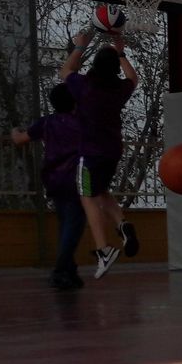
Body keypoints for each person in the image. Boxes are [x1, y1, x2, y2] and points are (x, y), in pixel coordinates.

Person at [60, 28, 139, 278]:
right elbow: (133, 78)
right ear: (114, 68)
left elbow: (65, 72)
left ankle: (104, 249)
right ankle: (122, 224)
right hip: (112, 151)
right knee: (100, 190)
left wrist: (80, 46)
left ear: (94, 65)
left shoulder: (85, 86)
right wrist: (121, 51)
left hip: (90, 152)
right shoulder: (119, 90)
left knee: (87, 197)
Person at [10, 84, 85, 290]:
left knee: (65, 223)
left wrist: (14, 131)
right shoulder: (82, 123)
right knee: (74, 225)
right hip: (78, 178)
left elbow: (19, 139)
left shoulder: (47, 123)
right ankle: (61, 270)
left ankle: (69, 270)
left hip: (53, 178)